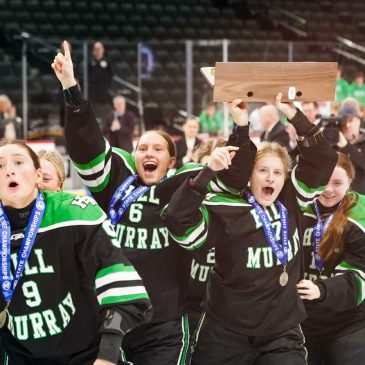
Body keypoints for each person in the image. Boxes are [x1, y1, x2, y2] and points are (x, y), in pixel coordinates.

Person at [52, 41, 254, 365]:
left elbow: (233, 177)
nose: (148, 154)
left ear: (171, 160)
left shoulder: (184, 182)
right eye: (142, 148)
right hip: (111, 319)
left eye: (157, 149)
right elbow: (88, 145)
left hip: (164, 324)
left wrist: (241, 126)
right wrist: (72, 91)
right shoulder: (116, 177)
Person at [163, 93, 338, 365]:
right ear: (249, 176)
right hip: (226, 330)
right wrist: (208, 171)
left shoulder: (291, 199)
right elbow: (177, 219)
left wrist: (293, 114)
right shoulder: (227, 207)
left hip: (281, 331)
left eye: (277, 172)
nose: (270, 178)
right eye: (262, 171)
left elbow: (323, 158)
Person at [0, 139, 151, 365]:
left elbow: (124, 288)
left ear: (38, 176)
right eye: (0, 165)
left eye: (19, 162)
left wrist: (107, 355)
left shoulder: (74, 212)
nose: (9, 170)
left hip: (86, 356)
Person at [298, 152, 365, 365]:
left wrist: (322, 289)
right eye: (323, 181)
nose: (328, 189)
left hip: (348, 325)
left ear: (350, 183)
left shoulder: (359, 215)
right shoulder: (298, 207)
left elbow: (360, 276)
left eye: (337, 183)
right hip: (303, 322)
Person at [335, 104, 365, 194]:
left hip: (360, 197)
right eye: (344, 121)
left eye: (350, 120)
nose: (347, 125)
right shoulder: (334, 141)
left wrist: (346, 146)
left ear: (358, 121)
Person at [89, 41, 113, 123]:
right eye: (95, 49)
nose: (97, 50)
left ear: (103, 50)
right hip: (93, 93)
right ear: (93, 51)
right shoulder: (91, 62)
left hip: (104, 93)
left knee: (105, 114)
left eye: (99, 48)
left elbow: (111, 75)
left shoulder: (107, 62)